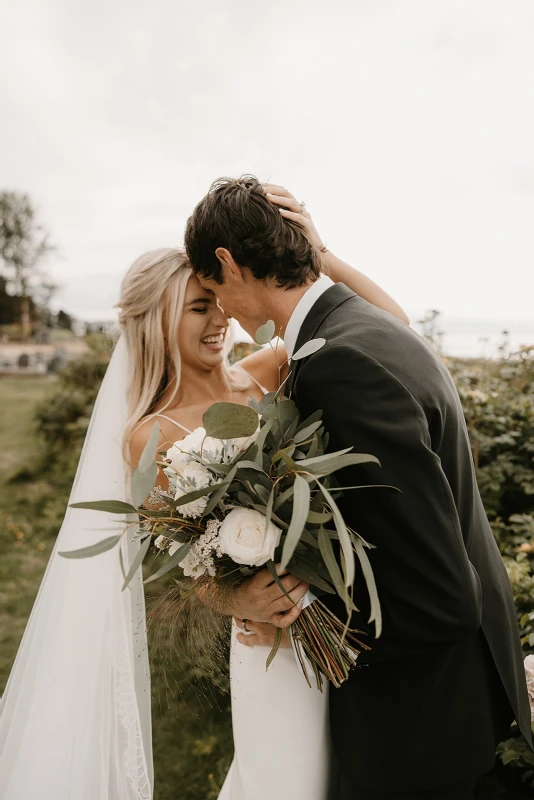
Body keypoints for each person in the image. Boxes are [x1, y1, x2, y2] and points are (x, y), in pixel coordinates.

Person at [0, 195, 408, 800]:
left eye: (219, 303)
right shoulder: (152, 434)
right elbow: (190, 561)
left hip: (340, 620)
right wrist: (235, 594)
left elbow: (392, 330)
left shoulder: (266, 371)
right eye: (197, 308)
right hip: (273, 644)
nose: (219, 320)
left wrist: (323, 258)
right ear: (154, 320)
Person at [184, 176, 533, 800]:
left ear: (229, 262)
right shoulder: (365, 327)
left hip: (415, 725)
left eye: (213, 290)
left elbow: (437, 597)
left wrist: (297, 616)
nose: (224, 312)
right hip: (447, 703)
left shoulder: (341, 366)